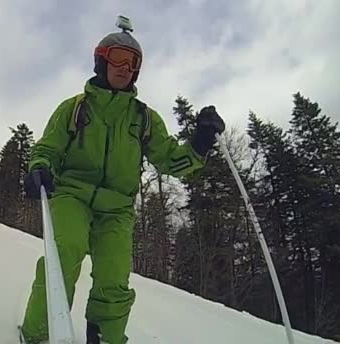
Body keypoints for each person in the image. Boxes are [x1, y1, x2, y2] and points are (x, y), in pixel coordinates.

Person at [19, 17, 225, 344]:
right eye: (118, 59)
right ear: (102, 61)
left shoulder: (142, 118)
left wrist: (200, 143)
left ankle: (103, 338)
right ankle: (40, 332)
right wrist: (40, 166)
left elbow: (170, 158)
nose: (126, 68)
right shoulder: (75, 108)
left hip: (117, 208)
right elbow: (48, 146)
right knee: (65, 250)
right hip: (72, 195)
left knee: (114, 275)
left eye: (133, 63)